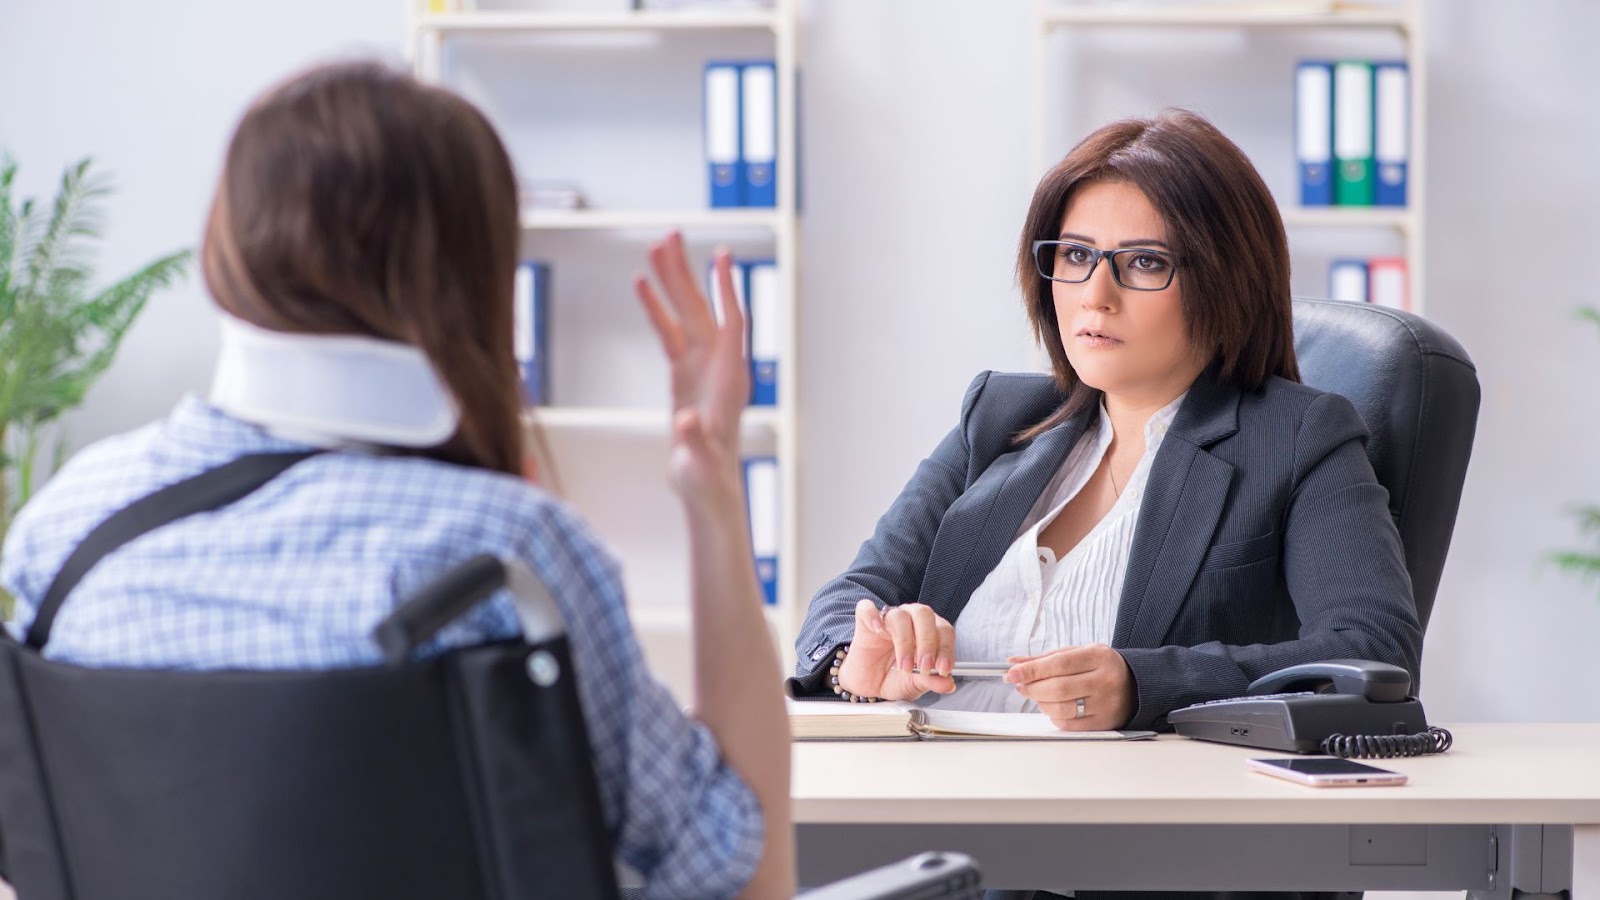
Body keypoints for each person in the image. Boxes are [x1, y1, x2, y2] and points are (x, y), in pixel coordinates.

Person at [0, 61, 793, 900]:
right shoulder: (505, 563)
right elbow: (743, 882)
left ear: (225, 246)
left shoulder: (64, 540)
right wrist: (711, 492)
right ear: (467, 279)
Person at [789, 108, 1423, 738]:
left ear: (1227, 281)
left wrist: (1143, 684)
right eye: (1075, 254)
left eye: (1144, 262)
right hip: (921, 793)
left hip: (1123, 818)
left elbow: (1371, 651)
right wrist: (859, 663)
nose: (1095, 293)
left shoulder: (1296, 439)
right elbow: (851, 600)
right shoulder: (998, 419)